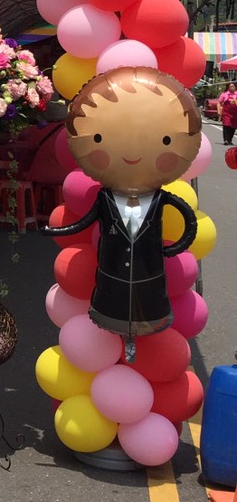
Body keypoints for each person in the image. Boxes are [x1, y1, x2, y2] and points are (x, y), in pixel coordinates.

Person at [42, 66, 199, 362]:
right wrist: (58, 231)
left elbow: (187, 221)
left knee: (149, 300)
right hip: (111, 270)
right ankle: (116, 328)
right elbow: (86, 221)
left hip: (148, 273)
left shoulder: (161, 197)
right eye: (98, 138)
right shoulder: (105, 196)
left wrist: (175, 248)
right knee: (111, 300)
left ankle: (140, 334)